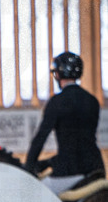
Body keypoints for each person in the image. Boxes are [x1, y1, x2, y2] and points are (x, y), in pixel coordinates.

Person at [25, 51, 105, 194]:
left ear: (58, 75)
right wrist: (49, 162)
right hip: (96, 169)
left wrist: (28, 167)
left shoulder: (57, 102)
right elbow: (81, 142)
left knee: (33, 195)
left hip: (69, 172)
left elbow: (40, 139)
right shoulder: (92, 101)